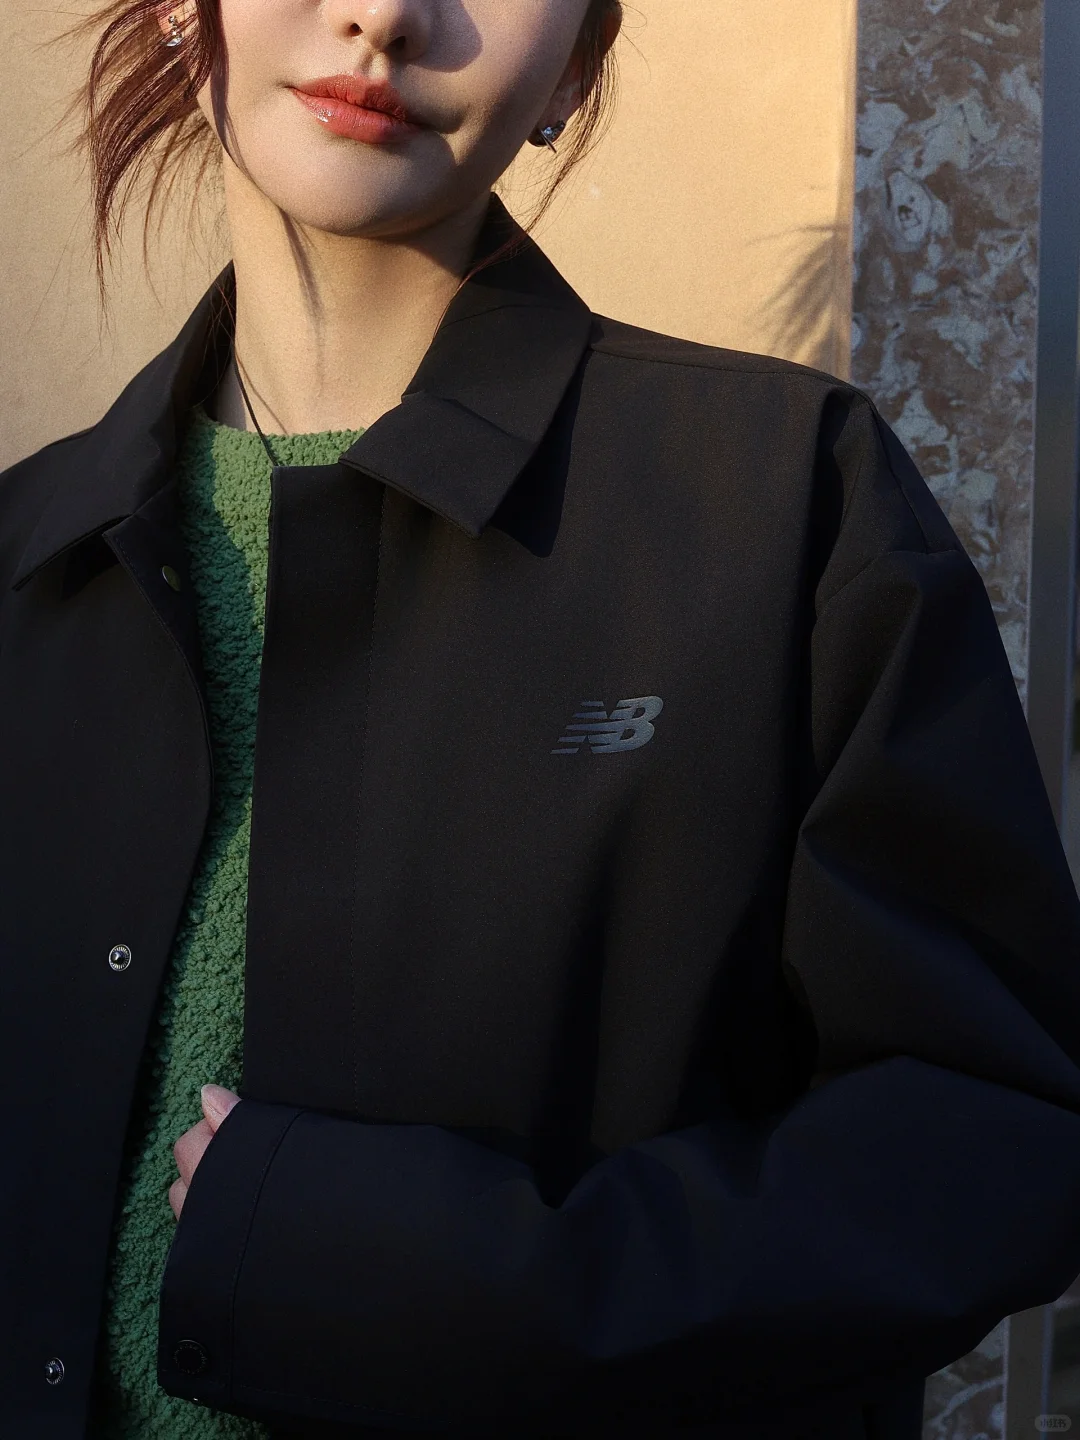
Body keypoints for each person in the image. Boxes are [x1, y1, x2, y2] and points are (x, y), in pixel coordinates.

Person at [2, 1, 1080, 1437]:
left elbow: (990, 1137)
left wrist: (487, 1277)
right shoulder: (29, 552)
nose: (385, 14)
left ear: (576, 62)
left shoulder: (784, 502)